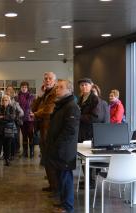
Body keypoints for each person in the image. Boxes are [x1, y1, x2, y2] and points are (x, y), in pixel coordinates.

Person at [46, 79, 80, 213]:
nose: (56, 89)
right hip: (58, 149)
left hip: (64, 150)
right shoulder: (61, 105)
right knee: (61, 178)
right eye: (57, 87)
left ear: (69, 90)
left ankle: (68, 207)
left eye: (60, 87)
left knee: (66, 179)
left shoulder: (72, 106)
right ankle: (63, 203)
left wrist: (57, 146)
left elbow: (69, 130)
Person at [31, 72, 57, 192]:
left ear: (54, 81)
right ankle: (52, 185)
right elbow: (33, 107)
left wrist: (36, 114)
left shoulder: (55, 93)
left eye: (50, 78)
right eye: (45, 78)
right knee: (46, 159)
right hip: (43, 130)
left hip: (51, 131)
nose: (47, 80)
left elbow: (49, 110)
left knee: (51, 160)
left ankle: (55, 187)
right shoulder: (45, 93)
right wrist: (40, 95)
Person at [0, 95, 16, 166]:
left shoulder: (12, 108)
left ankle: (7, 159)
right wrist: (7, 118)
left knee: (8, 146)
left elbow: (12, 117)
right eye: (3, 100)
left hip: (8, 130)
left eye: (6, 100)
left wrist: (3, 117)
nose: (4, 101)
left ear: (9, 101)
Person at [5, 85, 24, 160]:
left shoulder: (15, 102)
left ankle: (15, 153)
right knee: (8, 139)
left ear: (13, 91)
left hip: (15, 123)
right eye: (8, 90)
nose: (9, 91)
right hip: (6, 123)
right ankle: (8, 153)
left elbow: (22, 112)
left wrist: (15, 117)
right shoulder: (4, 100)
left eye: (10, 90)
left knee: (15, 138)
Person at [17, 81, 35, 158]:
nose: (24, 88)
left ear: (27, 88)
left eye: (25, 87)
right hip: (21, 119)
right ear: (20, 88)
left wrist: (34, 113)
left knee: (30, 135)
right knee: (24, 136)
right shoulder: (17, 96)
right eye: (22, 87)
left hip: (30, 118)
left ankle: (31, 151)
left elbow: (35, 107)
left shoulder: (32, 96)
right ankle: (25, 152)